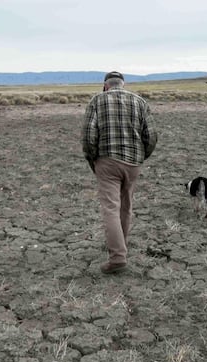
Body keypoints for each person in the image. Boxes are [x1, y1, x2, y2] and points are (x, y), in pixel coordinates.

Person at [81, 71, 158, 274]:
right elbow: (151, 135)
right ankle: (120, 246)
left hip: (107, 161)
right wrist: (140, 158)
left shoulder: (97, 100)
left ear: (105, 85)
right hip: (133, 163)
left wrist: (93, 159)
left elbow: (88, 135)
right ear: (123, 84)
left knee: (111, 208)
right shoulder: (139, 101)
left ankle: (117, 257)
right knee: (126, 206)